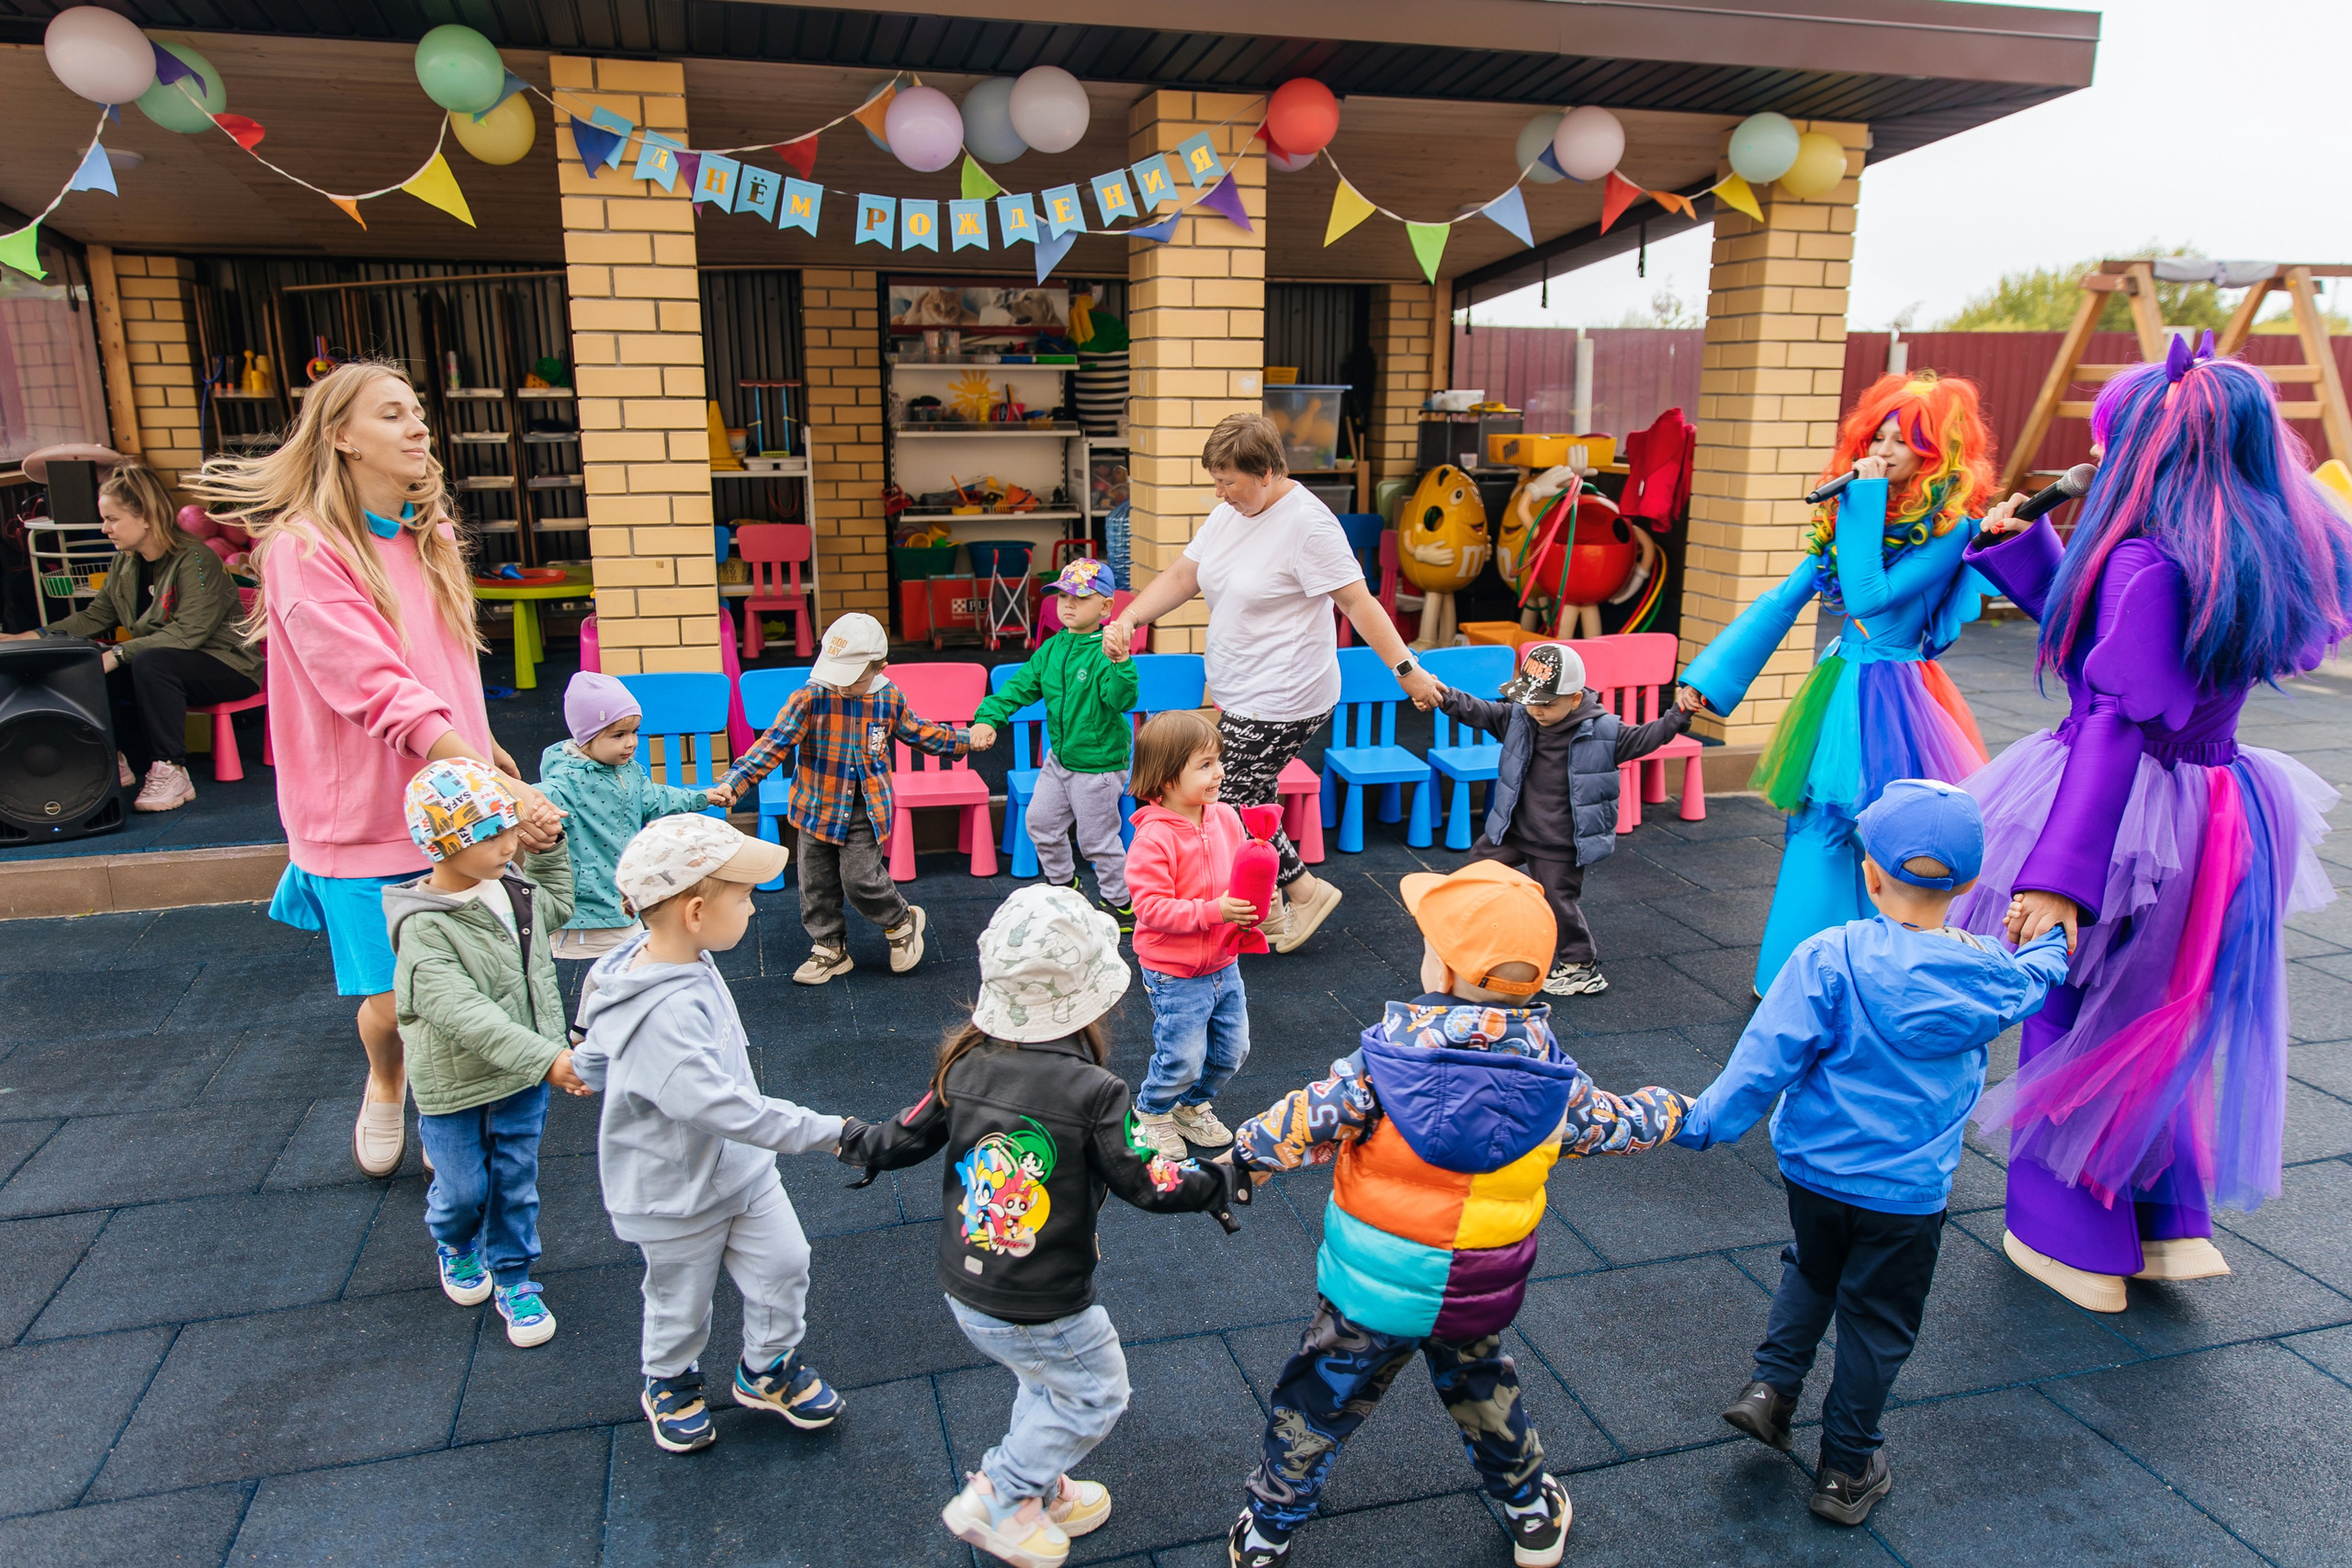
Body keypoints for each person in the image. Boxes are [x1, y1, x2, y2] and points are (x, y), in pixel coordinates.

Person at [1952, 341, 2350, 1314]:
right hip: (2219, 801)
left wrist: (2059, 880)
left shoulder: (2144, 562)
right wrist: (2024, 555)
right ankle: (2168, 1225)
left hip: (2122, 810)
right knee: (2159, 1014)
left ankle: (2069, 1239)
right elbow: (2129, 657)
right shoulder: (2257, 550)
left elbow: (2112, 714)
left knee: (2070, 1009)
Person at [1220, 860, 1689, 1568]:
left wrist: (1241, 1160)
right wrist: (1673, 1109)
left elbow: (1304, 1118)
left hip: (1373, 1289)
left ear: (1439, 971)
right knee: (1483, 1392)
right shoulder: (1555, 1082)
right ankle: (1530, 1509)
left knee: (1318, 1397)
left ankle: (1268, 1526)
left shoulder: (1385, 1062)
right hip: (1474, 1290)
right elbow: (1618, 1125)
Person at [191, 361, 563, 1179]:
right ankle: (386, 1079)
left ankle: (448, 1112)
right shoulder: (302, 549)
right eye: (393, 414)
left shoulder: (429, 536)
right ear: (341, 437)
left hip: (452, 800)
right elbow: (374, 686)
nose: (418, 426)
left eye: (418, 411)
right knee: (395, 1000)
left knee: (459, 983)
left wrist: (491, 752)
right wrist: (497, 782)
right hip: (361, 814)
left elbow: (446, 672)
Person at [1673, 780, 2069, 1525]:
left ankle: (1771, 1386)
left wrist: (1706, 1121)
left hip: (1816, 1172)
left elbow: (1764, 1057)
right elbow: (2039, 975)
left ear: (1870, 871)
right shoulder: (1990, 969)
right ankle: (1846, 1468)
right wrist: (2044, 933)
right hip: (1907, 1194)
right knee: (1876, 1320)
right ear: (1972, 883)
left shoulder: (1830, 955)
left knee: (1813, 1268)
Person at [836, 884, 1250, 1568]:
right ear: (1095, 998)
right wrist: (1221, 1181)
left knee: (1045, 1381)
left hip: (966, 1287)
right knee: (1096, 1388)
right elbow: (1148, 1178)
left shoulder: (965, 1064)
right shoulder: (1096, 1092)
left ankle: (1039, 1492)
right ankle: (1003, 1492)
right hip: (1044, 1296)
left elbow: (903, 1136)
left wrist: (856, 1142)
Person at [1679, 371, 1997, 994]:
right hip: (1841, 685)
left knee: (1892, 837)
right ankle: (1797, 979)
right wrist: (1710, 681)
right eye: (1876, 436)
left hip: (1898, 692)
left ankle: (1889, 976)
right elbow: (1783, 598)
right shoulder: (1860, 515)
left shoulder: (1949, 530)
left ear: (1935, 456)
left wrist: (1864, 503)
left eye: (1902, 441)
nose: (1882, 451)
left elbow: (1870, 599)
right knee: (1819, 826)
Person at [1100, 412, 1444, 954]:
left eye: (1229, 480)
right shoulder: (1229, 513)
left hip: (1286, 693)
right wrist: (1129, 617)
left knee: (1227, 796)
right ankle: (1280, 904)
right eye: (1215, 480)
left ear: (1267, 473)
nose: (1220, 492)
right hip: (1241, 685)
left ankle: (1299, 892)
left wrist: (1408, 670)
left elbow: (1358, 601)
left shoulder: (1308, 524)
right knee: (1250, 792)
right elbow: (1185, 575)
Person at [570, 815, 849, 1454]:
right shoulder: (661, 1018)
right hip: (673, 1192)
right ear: (696, 911)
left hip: (739, 1171)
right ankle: (669, 1379)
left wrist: (584, 1063)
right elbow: (734, 1109)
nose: (752, 907)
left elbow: (592, 1018)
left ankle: (767, 1366)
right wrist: (834, 1132)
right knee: (680, 1299)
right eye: (743, 896)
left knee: (785, 1262)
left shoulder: (662, 952)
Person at [382, 759, 594, 1348]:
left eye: (509, 828)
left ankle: (515, 1276)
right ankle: (453, 1240)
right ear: (443, 846)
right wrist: (550, 1060)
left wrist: (549, 846)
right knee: (463, 1192)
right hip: (457, 1088)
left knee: (514, 1183)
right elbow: (466, 1016)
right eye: (492, 835)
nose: (509, 843)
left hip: (522, 1081)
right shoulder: (424, 931)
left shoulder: (512, 890)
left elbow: (558, 903)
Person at [1430, 641, 1698, 996]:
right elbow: (1476, 710)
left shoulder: (1604, 732)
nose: (1537, 710)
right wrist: (1443, 695)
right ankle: (1485, 940)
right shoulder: (1519, 717)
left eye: (1547, 704)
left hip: (1560, 841)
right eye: (1531, 700)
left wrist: (1678, 713)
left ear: (1574, 699)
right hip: (1513, 828)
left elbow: (1648, 737)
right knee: (1476, 873)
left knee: (1559, 902)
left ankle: (1581, 965)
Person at [712, 612, 965, 986]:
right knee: (815, 884)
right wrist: (736, 781)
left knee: (861, 878)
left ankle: (901, 922)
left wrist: (963, 741)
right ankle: (830, 947)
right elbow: (774, 743)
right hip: (816, 807)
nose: (843, 685)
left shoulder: (888, 698)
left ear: (879, 668)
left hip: (866, 808)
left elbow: (918, 731)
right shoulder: (811, 697)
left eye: (854, 678)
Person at [1, 462, 258, 813]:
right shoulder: (125, 563)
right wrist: (25, 638)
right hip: (164, 663)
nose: (105, 529)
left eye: (112, 519)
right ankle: (116, 758)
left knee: (148, 661)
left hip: (227, 668)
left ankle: (171, 769)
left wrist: (121, 653)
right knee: (88, 659)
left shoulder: (197, 559)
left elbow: (189, 632)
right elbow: (95, 617)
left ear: (146, 517)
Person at [970, 558, 1141, 928]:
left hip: (1097, 766)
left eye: (1080, 597)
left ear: (1106, 606)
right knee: (1041, 824)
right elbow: (1019, 686)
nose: (1068, 604)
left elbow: (1122, 700)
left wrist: (1121, 662)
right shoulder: (1052, 649)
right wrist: (988, 717)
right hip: (1059, 760)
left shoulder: (1106, 651)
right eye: (1062, 595)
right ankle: (1065, 888)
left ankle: (1120, 903)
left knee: (1097, 842)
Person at [1122, 709, 1261, 1158]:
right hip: (1174, 970)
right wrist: (1213, 910)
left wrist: (1260, 899)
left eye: (1218, 760)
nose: (1219, 772)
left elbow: (1242, 874)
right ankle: (1153, 1109)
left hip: (1223, 962)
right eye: (1204, 765)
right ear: (1164, 778)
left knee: (1232, 1050)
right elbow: (1150, 908)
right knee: (1181, 1056)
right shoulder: (1153, 839)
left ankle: (1191, 1106)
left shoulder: (1224, 818)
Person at [537, 671, 718, 961]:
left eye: (634, 731)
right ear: (587, 738)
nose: (632, 742)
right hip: (591, 908)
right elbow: (537, 800)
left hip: (622, 895)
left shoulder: (626, 771)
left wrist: (701, 797)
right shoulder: (567, 782)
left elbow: (655, 798)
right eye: (619, 735)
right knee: (632, 968)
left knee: (632, 970)